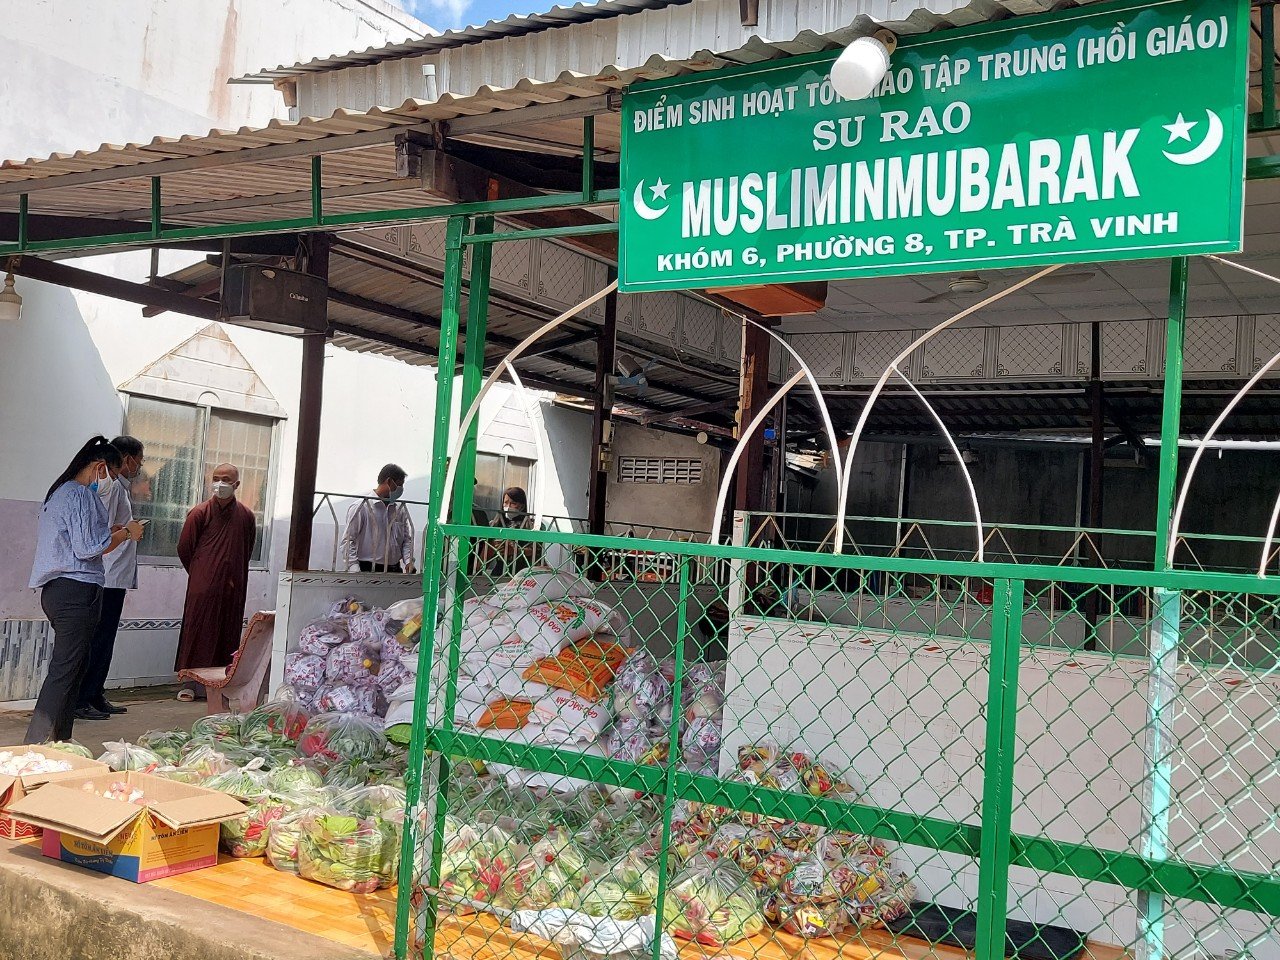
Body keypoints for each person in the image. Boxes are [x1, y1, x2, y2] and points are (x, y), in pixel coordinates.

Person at [25, 437, 143, 743]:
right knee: (65, 671)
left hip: (60, 591)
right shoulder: (79, 494)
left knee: (74, 669)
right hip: (75, 590)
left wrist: (111, 533)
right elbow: (89, 548)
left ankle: (60, 741)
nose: (111, 482)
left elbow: (84, 539)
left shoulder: (60, 492)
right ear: (100, 467)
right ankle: (36, 745)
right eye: (112, 475)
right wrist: (127, 533)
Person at [74, 435, 146, 721]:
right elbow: (102, 528)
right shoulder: (111, 487)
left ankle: (95, 693)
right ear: (126, 459)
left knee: (106, 640)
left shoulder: (120, 488)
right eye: (138, 462)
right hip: (108, 575)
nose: (138, 468)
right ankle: (82, 698)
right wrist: (126, 531)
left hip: (116, 575)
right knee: (98, 639)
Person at [173, 463, 256, 702]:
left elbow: (247, 548)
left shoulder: (246, 516)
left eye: (226, 479)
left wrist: (232, 573)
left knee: (227, 634)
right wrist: (202, 572)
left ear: (236, 484)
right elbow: (184, 548)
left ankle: (220, 685)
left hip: (233, 587)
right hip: (203, 586)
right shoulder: (199, 513)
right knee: (198, 632)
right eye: (216, 478)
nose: (220, 484)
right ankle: (190, 684)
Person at [340, 464, 416, 574]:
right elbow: (348, 541)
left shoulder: (399, 509)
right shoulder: (362, 507)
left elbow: (406, 540)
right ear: (389, 481)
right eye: (399, 485)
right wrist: (355, 569)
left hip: (394, 569)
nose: (401, 490)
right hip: (367, 568)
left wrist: (408, 562)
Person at [487, 486, 537, 577]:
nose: (508, 506)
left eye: (513, 503)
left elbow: (536, 550)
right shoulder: (496, 523)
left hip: (522, 572)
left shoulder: (530, 525)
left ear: (522, 506)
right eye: (506, 503)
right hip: (499, 572)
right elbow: (488, 550)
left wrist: (515, 551)